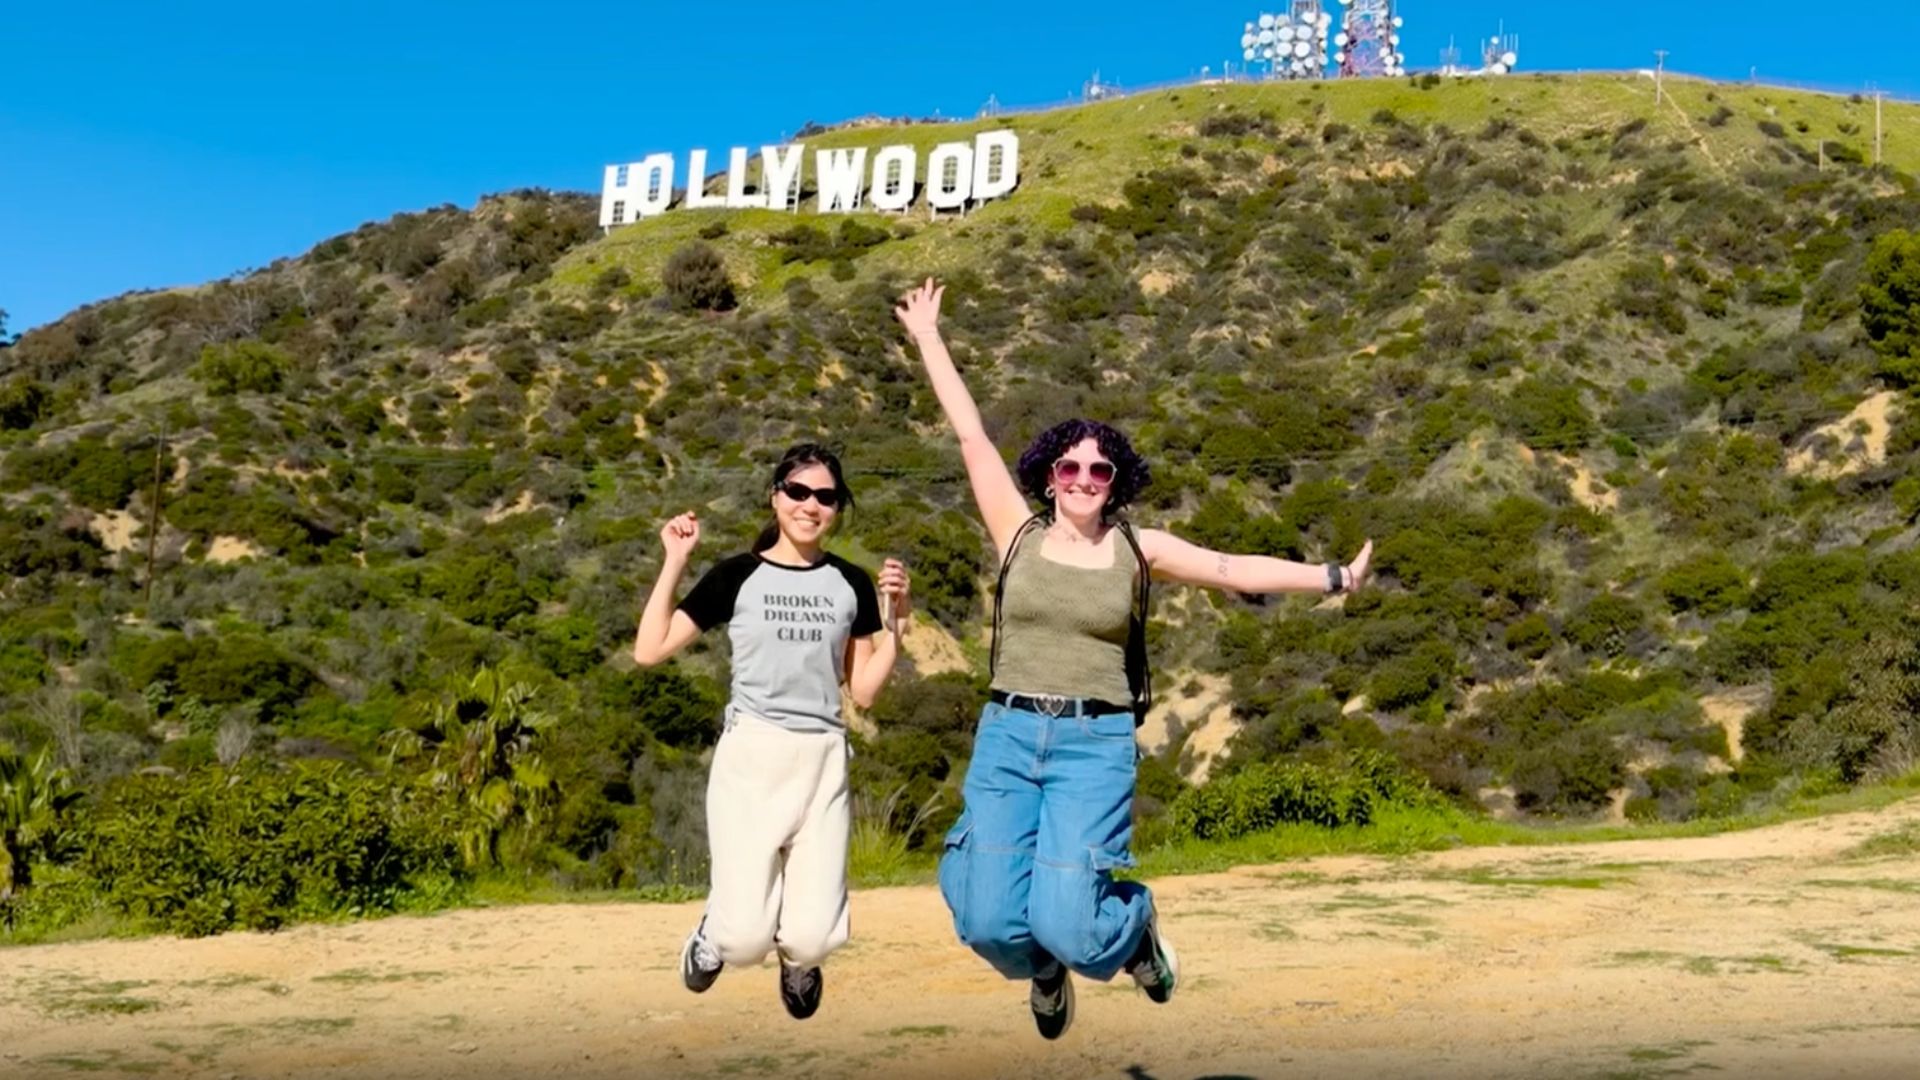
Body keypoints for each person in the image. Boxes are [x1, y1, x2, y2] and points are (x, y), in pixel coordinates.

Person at [894, 279, 1373, 1040]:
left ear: (1116, 482)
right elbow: (971, 439)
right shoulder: (1015, 533)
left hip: (1093, 743)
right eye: (1069, 467)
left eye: (1100, 470)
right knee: (989, 922)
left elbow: (1226, 568)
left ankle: (1136, 931)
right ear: (1048, 475)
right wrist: (927, 338)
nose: (1083, 480)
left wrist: (1331, 577)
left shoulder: (1137, 550)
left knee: (1079, 932)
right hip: (1009, 736)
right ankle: (1040, 973)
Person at [632, 443, 910, 1020]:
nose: (810, 505)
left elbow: (862, 692)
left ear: (838, 507)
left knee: (813, 939)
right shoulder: (737, 576)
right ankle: (712, 935)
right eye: (798, 492)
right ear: (776, 496)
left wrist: (897, 627)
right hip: (752, 755)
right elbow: (649, 650)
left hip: (822, 758)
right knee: (742, 943)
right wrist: (675, 561)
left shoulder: (851, 583)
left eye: (826, 497)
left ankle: (799, 962)